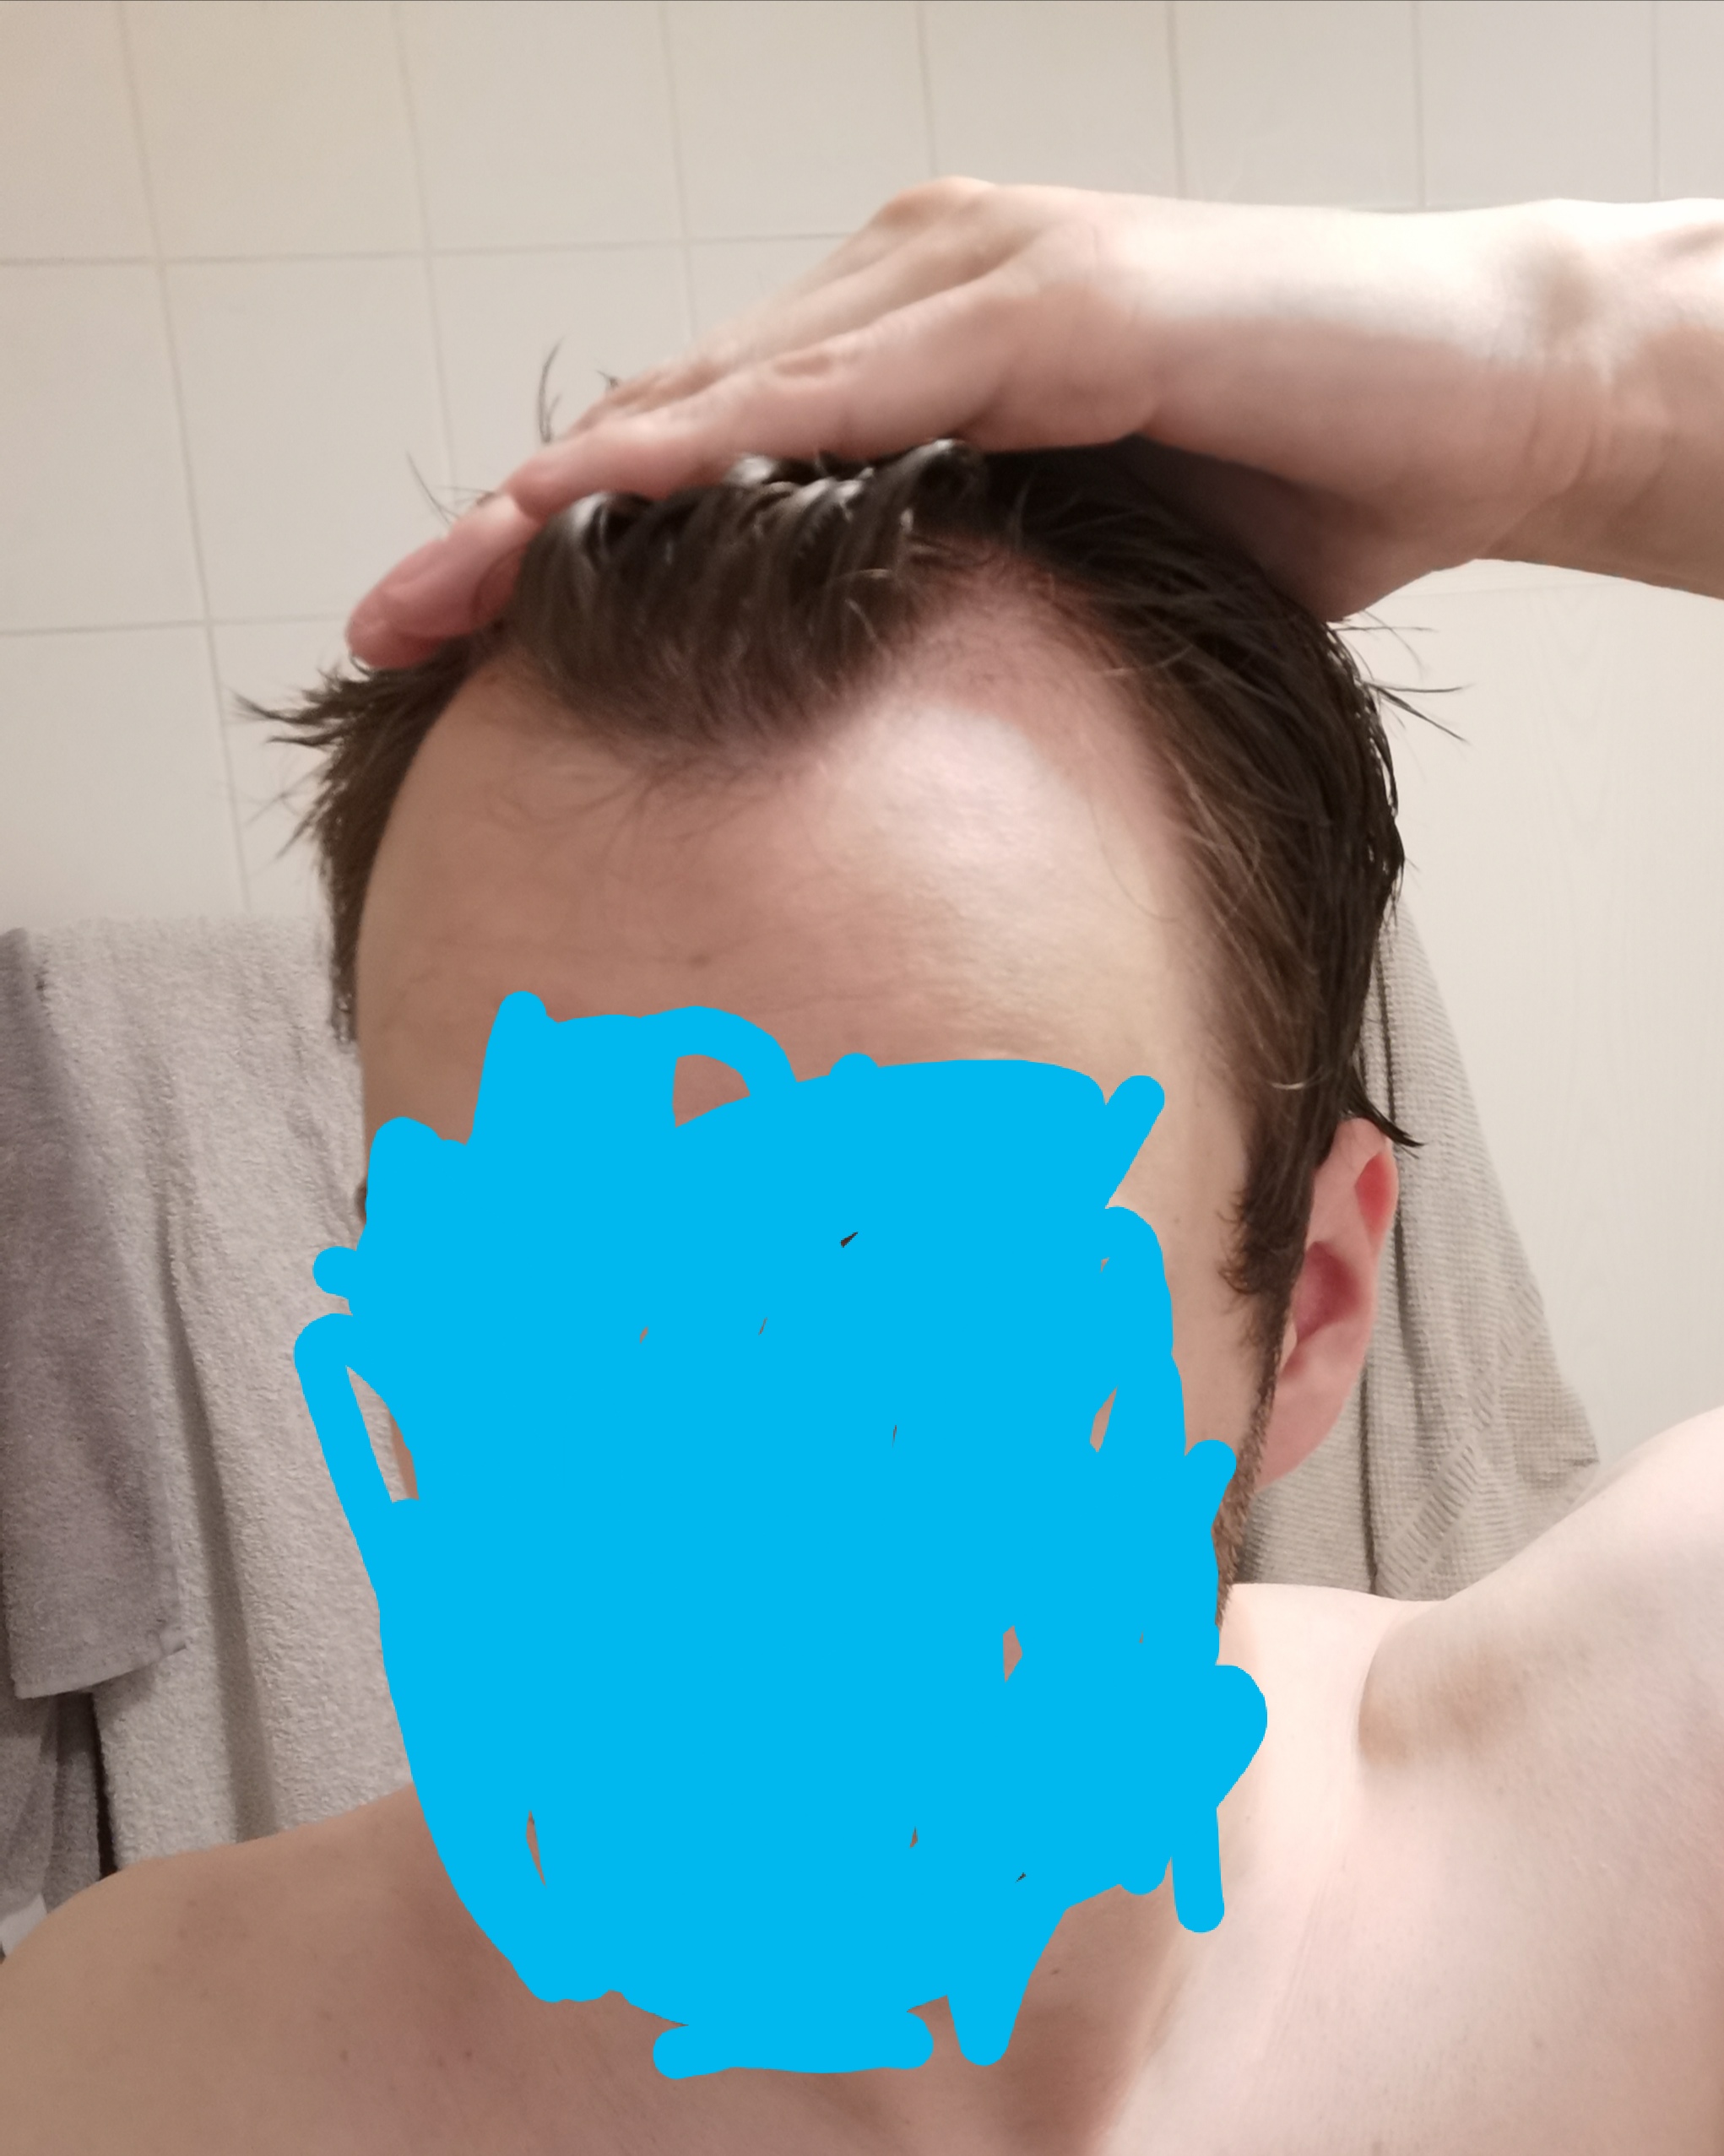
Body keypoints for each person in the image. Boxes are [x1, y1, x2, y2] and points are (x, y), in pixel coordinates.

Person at [1, 182, 1720, 2154]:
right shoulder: (133, 2074)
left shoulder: (1642, 1843)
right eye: (537, 1282)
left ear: (1314, 1301)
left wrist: (1588, 366)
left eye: (914, 1286)